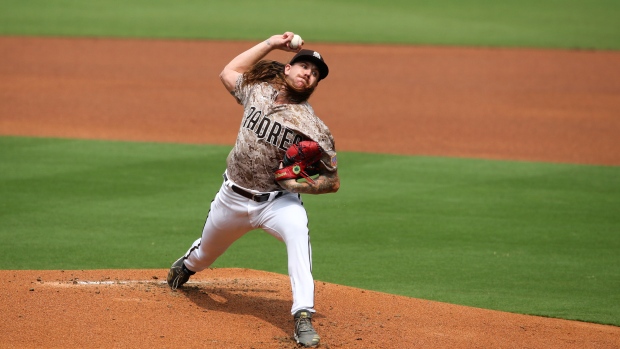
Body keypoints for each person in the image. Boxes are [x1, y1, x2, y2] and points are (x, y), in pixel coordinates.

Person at [166, 32, 340, 348]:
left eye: (315, 74)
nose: (308, 74)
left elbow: (332, 180)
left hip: (278, 202)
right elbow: (227, 72)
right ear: (288, 69)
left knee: (299, 232)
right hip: (232, 198)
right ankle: (187, 265)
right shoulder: (257, 91)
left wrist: (297, 183)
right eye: (304, 67)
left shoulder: (312, 125)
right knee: (206, 253)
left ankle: (303, 315)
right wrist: (271, 43)